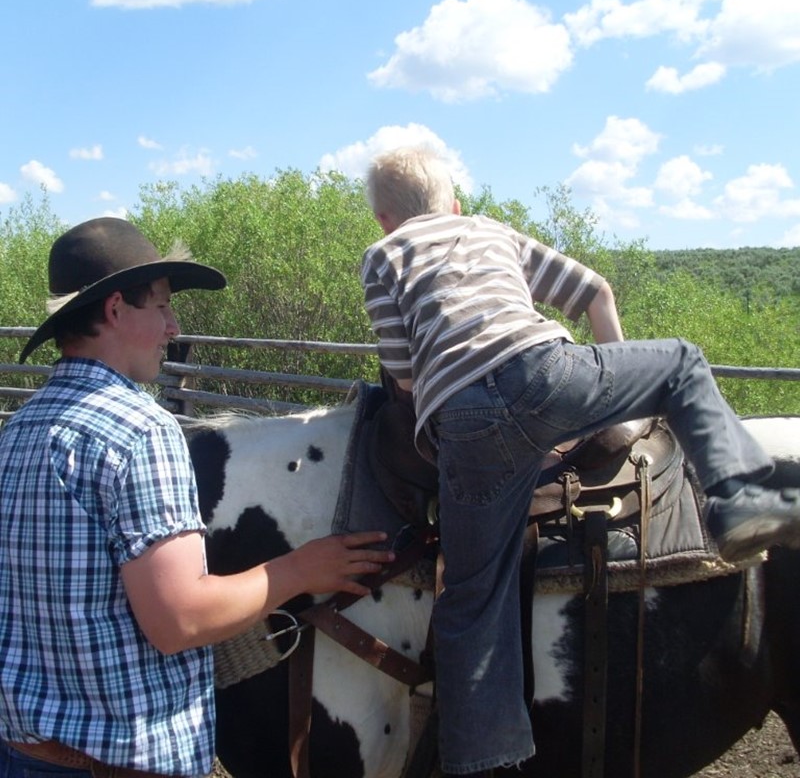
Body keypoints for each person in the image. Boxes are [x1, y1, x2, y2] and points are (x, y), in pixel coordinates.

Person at [360, 146, 800, 777]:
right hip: (550, 374)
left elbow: (402, 381)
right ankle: (740, 501)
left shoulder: (383, 256)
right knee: (680, 362)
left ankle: (485, 757)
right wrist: (619, 403)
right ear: (455, 204)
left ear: (384, 220)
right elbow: (594, 289)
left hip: (466, 423)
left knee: (470, 597)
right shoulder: (489, 230)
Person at [0, 217, 394, 778]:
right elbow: (179, 619)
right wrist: (303, 568)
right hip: (117, 763)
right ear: (115, 310)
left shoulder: (21, 429)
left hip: (23, 754)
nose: (172, 326)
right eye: (159, 307)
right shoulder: (141, 432)